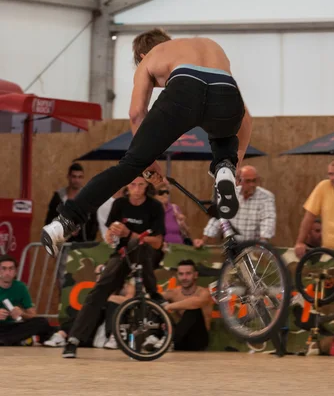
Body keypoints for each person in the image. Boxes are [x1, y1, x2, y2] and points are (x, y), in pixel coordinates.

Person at [41, 29, 252, 257]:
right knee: (224, 138)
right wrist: (236, 158)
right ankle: (224, 169)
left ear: (142, 55)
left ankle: (63, 223)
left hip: (184, 89)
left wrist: (145, 160)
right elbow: (244, 118)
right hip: (226, 93)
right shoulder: (209, 46)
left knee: (129, 165)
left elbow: (136, 112)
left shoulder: (153, 55)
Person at [62, 176, 165, 358]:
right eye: (133, 184)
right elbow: (110, 233)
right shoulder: (119, 204)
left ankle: (153, 293)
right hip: (123, 254)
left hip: (148, 255)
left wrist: (131, 233)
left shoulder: (155, 207)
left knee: (140, 248)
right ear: (127, 186)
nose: (137, 188)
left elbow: (157, 243)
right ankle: (73, 340)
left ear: (147, 185)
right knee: (98, 292)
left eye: (141, 184)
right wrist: (111, 234)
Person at [194, 165, 275, 246]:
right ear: (238, 181)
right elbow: (218, 218)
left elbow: (268, 219)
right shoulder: (230, 195)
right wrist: (203, 240)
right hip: (232, 246)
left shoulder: (266, 196)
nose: (252, 184)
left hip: (254, 245)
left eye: (254, 181)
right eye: (248, 181)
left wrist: (263, 241)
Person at [0, 254, 53, 345]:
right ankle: (13, 340)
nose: (7, 272)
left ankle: (7, 340)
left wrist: (22, 313)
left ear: (15, 272)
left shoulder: (20, 287)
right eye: (4, 269)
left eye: (11, 269)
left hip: (13, 326)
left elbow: (33, 314)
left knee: (42, 322)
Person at [162, 259, 212, 351]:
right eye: (181, 274)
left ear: (195, 275)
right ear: (177, 275)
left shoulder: (203, 293)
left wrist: (169, 306)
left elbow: (196, 302)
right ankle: (154, 339)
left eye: (188, 273)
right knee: (156, 305)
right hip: (179, 340)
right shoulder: (173, 293)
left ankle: (169, 342)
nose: (184, 277)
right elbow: (151, 299)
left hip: (198, 341)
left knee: (193, 310)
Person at [45, 162, 98, 243]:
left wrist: (89, 240)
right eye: (74, 177)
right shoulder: (58, 197)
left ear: (83, 178)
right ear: (68, 177)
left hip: (83, 245)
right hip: (63, 244)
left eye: (80, 177)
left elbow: (94, 223)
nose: (77, 180)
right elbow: (49, 220)